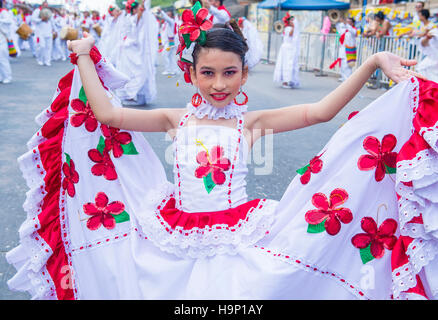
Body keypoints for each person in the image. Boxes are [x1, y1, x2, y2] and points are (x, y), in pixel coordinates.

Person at [6, 2, 438, 300]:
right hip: (172, 236)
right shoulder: (176, 119)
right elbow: (109, 115)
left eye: (229, 73)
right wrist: (85, 57)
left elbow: (320, 111)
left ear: (244, 73)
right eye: (207, 73)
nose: (218, 84)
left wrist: (373, 62)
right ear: (190, 73)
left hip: (240, 237)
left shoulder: (247, 123)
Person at [115, 0, 158, 105]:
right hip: (130, 49)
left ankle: (134, 94)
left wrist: (143, 4)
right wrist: (143, 4)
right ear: (133, 9)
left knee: (135, 72)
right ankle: (131, 94)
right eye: (136, 8)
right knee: (134, 72)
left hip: (132, 49)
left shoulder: (128, 18)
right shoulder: (131, 18)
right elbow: (139, 16)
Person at [273, 13, 300, 88]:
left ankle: (289, 80)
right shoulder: (288, 29)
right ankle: (286, 81)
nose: (293, 22)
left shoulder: (287, 28)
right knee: (286, 64)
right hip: (287, 49)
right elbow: (290, 34)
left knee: (290, 64)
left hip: (289, 48)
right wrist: (294, 27)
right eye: (291, 20)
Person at [416, 10, 438, 82]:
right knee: (421, 68)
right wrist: (427, 37)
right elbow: (423, 43)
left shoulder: (431, 26)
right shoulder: (434, 31)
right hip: (433, 59)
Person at [333, 17, 357, 82]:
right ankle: (344, 79)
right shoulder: (344, 30)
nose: (347, 23)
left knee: (348, 66)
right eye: (347, 21)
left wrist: (346, 23)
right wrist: (337, 20)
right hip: (343, 50)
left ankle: (348, 80)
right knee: (342, 66)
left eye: (349, 22)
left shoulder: (353, 30)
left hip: (350, 51)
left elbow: (352, 30)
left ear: (352, 23)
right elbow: (338, 27)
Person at [156, 8, 178, 75]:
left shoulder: (171, 21)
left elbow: (166, 18)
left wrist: (161, 11)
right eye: (166, 14)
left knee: (165, 55)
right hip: (167, 42)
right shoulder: (165, 23)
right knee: (170, 56)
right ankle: (174, 70)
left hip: (170, 42)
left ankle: (169, 69)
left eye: (168, 14)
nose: (167, 15)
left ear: (171, 16)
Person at [31, 1, 54, 66]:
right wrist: (41, 19)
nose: (46, 6)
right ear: (42, 5)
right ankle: (40, 59)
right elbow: (33, 19)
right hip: (40, 32)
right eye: (45, 5)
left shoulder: (49, 11)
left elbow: (52, 22)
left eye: (47, 5)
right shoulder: (37, 11)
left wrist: (54, 30)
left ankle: (47, 61)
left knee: (49, 47)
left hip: (49, 32)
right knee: (41, 46)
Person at [0, 1, 12, 83]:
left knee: (3, 59)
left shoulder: (3, 11)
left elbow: (9, 20)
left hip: (2, 39)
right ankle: (1, 77)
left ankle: (8, 76)